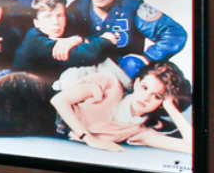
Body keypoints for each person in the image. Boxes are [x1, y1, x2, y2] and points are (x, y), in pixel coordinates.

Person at [52, 58, 193, 153]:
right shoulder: (110, 84)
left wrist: (170, 106)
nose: (146, 97)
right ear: (137, 83)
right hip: (39, 100)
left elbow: (192, 147)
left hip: (46, 130)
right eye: (144, 88)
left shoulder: (139, 131)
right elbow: (58, 100)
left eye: (156, 96)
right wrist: (88, 138)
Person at [67, 0, 188, 65]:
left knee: (132, 65)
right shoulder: (78, 7)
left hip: (123, 73)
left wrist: (149, 58)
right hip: (86, 70)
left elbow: (175, 33)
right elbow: (52, 27)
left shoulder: (131, 7)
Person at [13, 0, 88, 76]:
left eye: (60, 16)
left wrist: (76, 39)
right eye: (48, 17)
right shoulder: (35, 39)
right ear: (36, 23)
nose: (56, 22)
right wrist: (106, 39)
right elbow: (91, 54)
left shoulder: (68, 27)